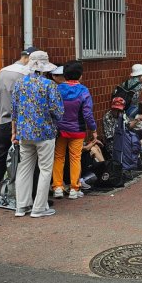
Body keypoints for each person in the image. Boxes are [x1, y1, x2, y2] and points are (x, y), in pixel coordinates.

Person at [11, 51, 64, 218]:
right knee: (45, 169)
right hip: (45, 132)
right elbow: (58, 111)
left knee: (24, 168)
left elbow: (14, 110)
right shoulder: (49, 85)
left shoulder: (19, 83)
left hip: (24, 133)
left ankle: (21, 206)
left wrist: (14, 132)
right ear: (44, 67)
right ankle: (39, 207)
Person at [0, 47, 34, 202]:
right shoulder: (26, 74)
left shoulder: (3, 71)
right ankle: (24, 196)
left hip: (4, 120)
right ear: (28, 58)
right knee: (26, 158)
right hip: (21, 123)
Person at [52, 61, 97, 200]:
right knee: (75, 158)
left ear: (64, 75)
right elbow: (87, 114)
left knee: (59, 157)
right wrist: (93, 128)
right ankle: (74, 188)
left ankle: (58, 187)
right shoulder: (83, 91)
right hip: (77, 130)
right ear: (80, 75)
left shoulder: (57, 89)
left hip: (60, 130)